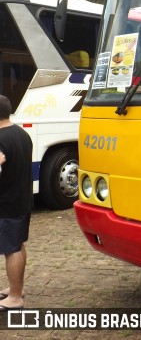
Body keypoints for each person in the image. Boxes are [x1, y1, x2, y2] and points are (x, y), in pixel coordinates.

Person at [0, 95, 33, 310]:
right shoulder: (21, 133)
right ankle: (15, 288)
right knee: (17, 245)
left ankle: (15, 297)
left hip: (7, 204)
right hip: (21, 200)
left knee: (11, 248)